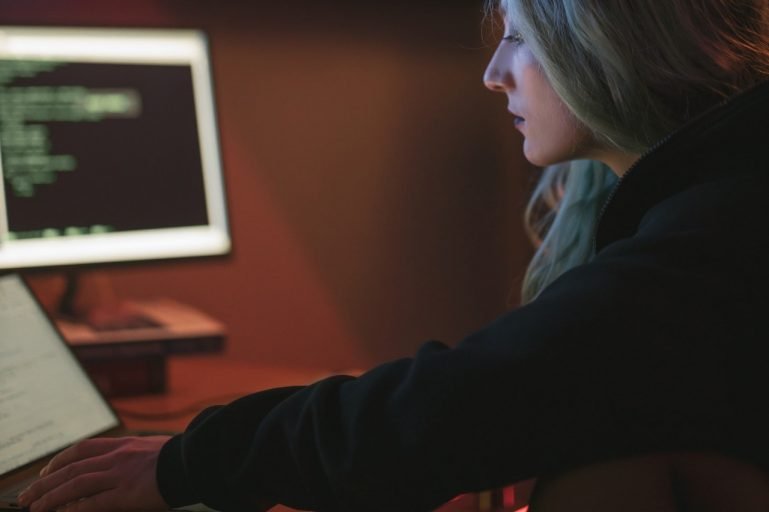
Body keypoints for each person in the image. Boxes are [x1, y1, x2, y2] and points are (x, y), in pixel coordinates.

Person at [18, 0, 769, 510]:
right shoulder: (718, 194)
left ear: (609, 46)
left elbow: (479, 396)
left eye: (517, 36)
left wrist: (185, 464)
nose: (492, 72)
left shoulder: (721, 226)